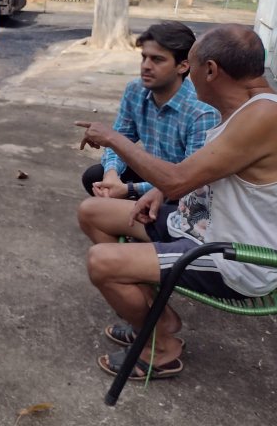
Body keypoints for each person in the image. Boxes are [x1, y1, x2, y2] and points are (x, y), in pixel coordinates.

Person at [75, 24, 277, 380]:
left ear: (210, 70)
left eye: (194, 67)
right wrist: (157, 191)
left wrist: (112, 138)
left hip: (230, 256)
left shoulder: (264, 116)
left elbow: (176, 179)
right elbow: (203, 174)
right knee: (93, 211)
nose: (191, 79)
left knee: (101, 262)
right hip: (199, 223)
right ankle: (158, 318)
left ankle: (162, 347)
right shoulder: (246, 109)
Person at [81, 21, 219, 198]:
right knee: (96, 177)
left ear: (183, 66)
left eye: (157, 59)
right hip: (152, 174)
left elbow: (191, 181)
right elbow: (121, 139)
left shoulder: (202, 112)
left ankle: (133, 215)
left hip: (182, 189)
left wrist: (130, 190)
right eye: (144, 57)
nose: (146, 65)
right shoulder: (135, 91)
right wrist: (111, 175)